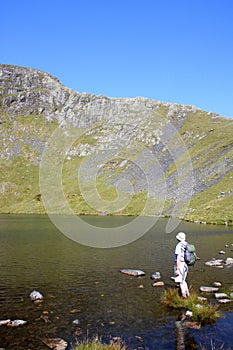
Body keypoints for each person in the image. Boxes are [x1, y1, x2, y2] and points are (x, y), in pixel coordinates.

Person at [174, 231, 190, 298]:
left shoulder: (179, 245)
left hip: (180, 264)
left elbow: (178, 257)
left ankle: (183, 296)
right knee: (183, 280)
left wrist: (177, 269)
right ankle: (188, 295)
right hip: (186, 264)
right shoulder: (187, 244)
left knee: (180, 282)